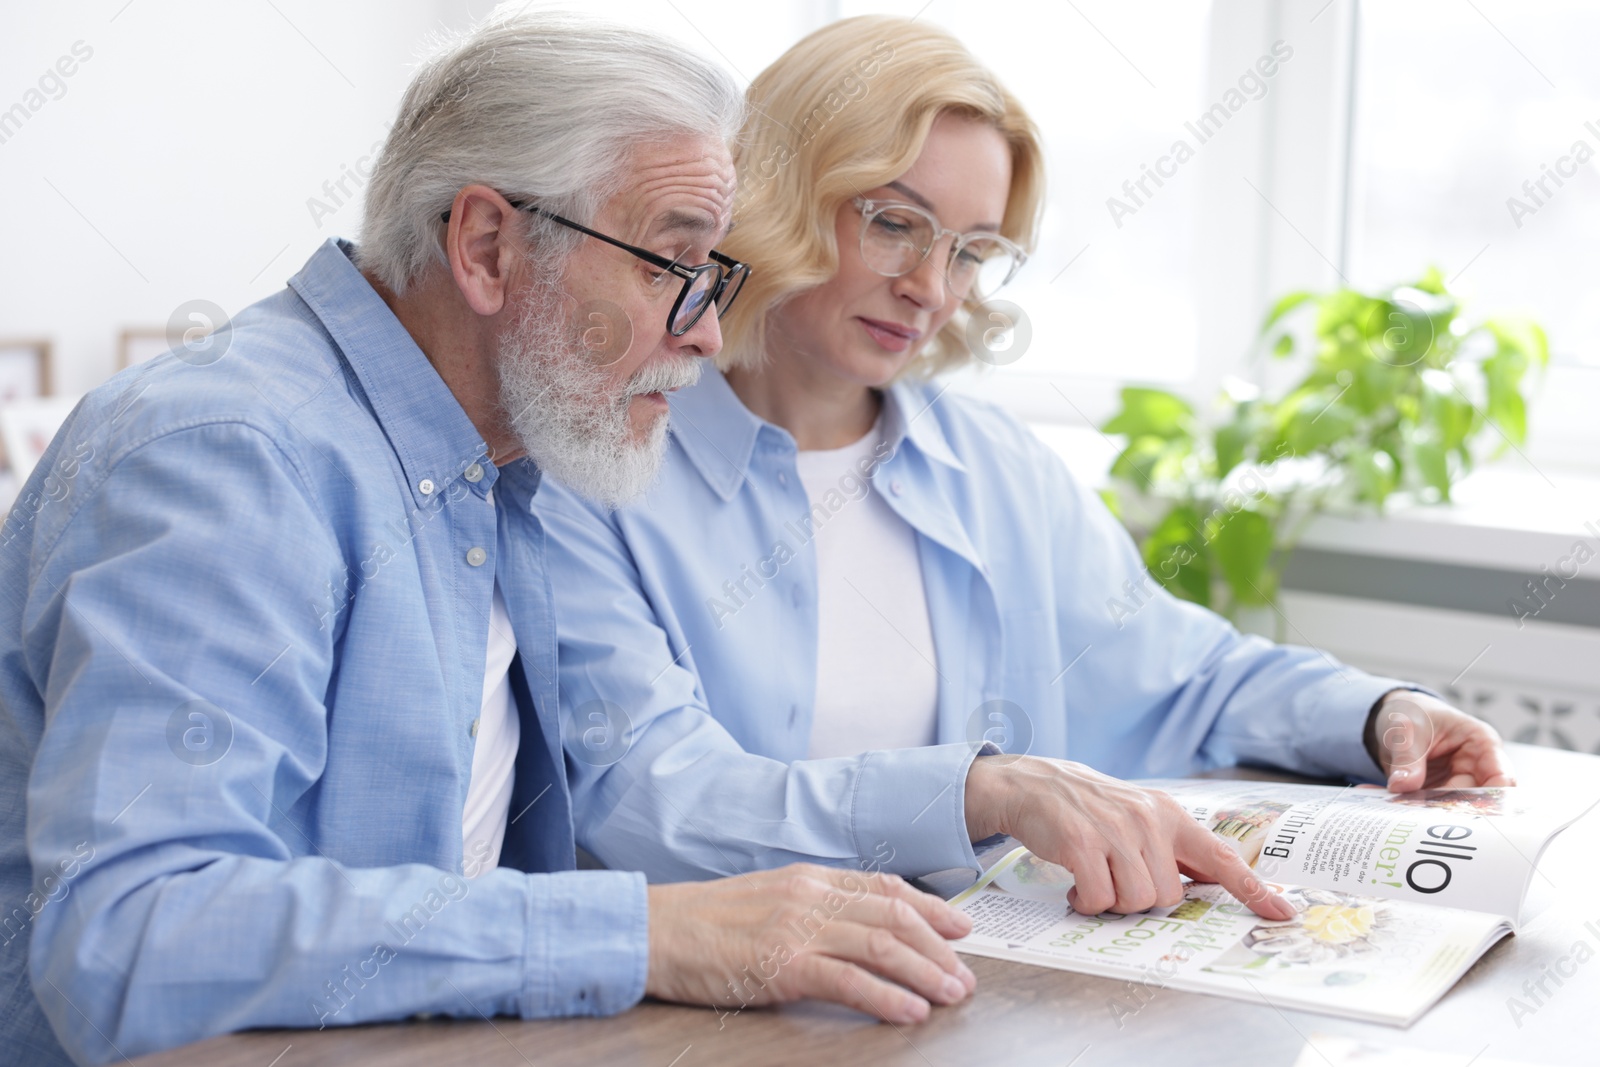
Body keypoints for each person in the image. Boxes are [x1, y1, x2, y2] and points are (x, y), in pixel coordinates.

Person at [0, 14, 986, 1065]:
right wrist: (641, 931)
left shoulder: (519, 464)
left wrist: (976, 790)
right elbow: (133, 934)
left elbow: (653, 773)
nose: (704, 331)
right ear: (486, 247)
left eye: (714, 278)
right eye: (672, 264)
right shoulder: (234, 454)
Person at [537, 15, 1515, 922]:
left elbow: (1187, 677)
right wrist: (980, 788)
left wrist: (1383, 711)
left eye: (969, 251)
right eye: (892, 222)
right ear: (776, 197)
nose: (929, 287)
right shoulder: (598, 466)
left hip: (969, 981)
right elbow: (648, 794)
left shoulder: (990, 465)